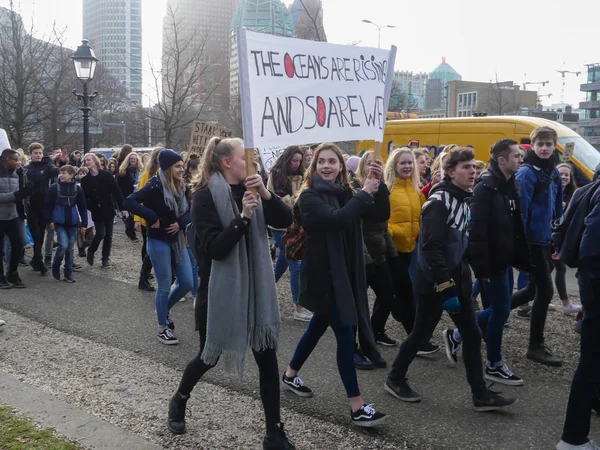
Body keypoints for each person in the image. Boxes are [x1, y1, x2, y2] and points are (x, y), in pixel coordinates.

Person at [167, 137, 296, 450]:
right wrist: (244, 218)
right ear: (227, 162)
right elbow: (214, 249)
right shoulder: (205, 196)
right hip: (220, 289)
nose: (253, 163)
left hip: (256, 289)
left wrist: (265, 194)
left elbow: (285, 221)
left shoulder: (254, 187)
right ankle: (180, 399)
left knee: (267, 360)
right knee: (208, 357)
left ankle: (273, 432)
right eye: (245, 157)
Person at [384, 146, 517, 412]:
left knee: (470, 334)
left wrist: (480, 271)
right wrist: (445, 288)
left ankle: (480, 395)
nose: (473, 171)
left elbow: (465, 243)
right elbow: (432, 250)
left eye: (474, 167)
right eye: (466, 167)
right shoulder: (438, 202)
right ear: (450, 172)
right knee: (421, 332)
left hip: (458, 278)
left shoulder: (466, 198)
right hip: (435, 282)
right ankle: (395, 378)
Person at [282, 143, 387, 428]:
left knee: (318, 326)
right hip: (325, 277)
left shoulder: (346, 193)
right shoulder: (309, 197)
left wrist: (379, 183)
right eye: (321, 162)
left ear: (341, 166)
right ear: (313, 167)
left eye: (332, 161)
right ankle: (357, 406)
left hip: (344, 273)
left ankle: (290, 375)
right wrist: (364, 193)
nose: (327, 166)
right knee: (345, 334)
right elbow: (336, 220)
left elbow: (379, 214)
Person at [443, 139, 529, 385]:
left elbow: (514, 225)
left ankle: (457, 336)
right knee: (500, 310)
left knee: (500, 309)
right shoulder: (486, 187)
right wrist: (482, 268)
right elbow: (477, 231)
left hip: (504, 257)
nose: (520, 160)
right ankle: (493, 363)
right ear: (502, 160)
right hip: (492, 261)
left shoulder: (510, 185)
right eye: (516, 156)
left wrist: (520, 256)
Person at [125, 149, 193, 345]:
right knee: (164, 285)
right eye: (178, 166)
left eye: (182, 165)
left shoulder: (182, 185)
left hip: (178, 240)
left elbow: (190, 210)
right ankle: (162, 328)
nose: (182, 169)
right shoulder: (154, 184)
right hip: (158, 240)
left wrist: (180, 223)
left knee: (187, 282)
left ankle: (163, 309)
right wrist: (151, 216)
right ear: (168, 167)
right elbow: (129, 201)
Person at [511, 127, 564, 366]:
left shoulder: (551, 170)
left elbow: (557, 207)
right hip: (532, 241)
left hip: (545, 239)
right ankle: (535, 345)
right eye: (540, 144)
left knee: (533, 290)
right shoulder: (527, 173)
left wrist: (557, 234)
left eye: (548, 144)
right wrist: (521, 244)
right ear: (532, 145)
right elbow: (520, 212)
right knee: (545, 291)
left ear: (555, 146)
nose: (544, 148)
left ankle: (482, 319)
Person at [555, 181, 600, 450]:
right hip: (596, 286)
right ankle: (573, 438)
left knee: (592, 360)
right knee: (591, 361)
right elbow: (591, 247)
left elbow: (561, 230)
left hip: (591, 285)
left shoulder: (590, 188)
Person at [383, 147, 439, 354]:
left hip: (409, 247)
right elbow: (380, 220)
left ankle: (375, 330)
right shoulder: (387, 189)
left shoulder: (416, 189)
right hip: (391, 250)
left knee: (387, 295)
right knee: (405, 293)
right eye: (402, 163)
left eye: (409, 163)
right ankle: (416, 340)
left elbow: (421, 216)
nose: (407, 166)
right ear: (394, 166)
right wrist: (394, 232)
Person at [267, 146, 310, 321]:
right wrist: (296, 200)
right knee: (296, 265)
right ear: (287, 159)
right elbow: (276, 200)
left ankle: (263, 291)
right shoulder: (276, 174)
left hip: (297, 224)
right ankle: (299, 307)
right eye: (294, 160)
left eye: (299, 161)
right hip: (280, 225)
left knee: (283, 263)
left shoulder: (303, 175)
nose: (297, 164)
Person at [81, 153, 126, 268]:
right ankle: (91, 250)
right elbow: (85, 198)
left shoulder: (106, 175)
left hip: (108, 208)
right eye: (85, 161)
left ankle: (105, 258)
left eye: (88, 160)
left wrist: (122, 208)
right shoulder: (85, 180)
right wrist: (90, 206)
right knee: (101, 233)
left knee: (108, 236)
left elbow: (116, 191)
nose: (86, 162)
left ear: (95, 161)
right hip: (96, 210)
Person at [45, 165, 88, 282]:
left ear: (71, 175)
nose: (61, 175)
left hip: (73, 222)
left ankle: (68, 273)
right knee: (63, 245)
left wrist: (84, 224)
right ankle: (56, 265)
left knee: (70, 248)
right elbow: (48, 206)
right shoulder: (54, 188)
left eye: (64, 173)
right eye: (60, 173)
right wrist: (50, 221)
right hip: (59, 222)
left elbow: (83, 207)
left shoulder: (77, 189)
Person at [24, 142, 59, 275]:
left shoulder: (48, 166)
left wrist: (57, 162)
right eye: (35, 153)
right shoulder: (26, 169)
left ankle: (36, 260)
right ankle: (39, 261)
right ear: (31, 154)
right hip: (31, 206)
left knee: (41, 236)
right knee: (36, 234)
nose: (38, 155)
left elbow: (56, 172)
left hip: (44, 206)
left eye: (40, 153)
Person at [553, 163, 582, 314]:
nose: (563, 177)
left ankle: (537, 300)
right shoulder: (550, 191)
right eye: (560, 174)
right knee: (558, 268)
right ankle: (565, 304)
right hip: (550, 238)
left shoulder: (574, 195)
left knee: (555, 268)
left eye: (566, 175)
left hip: (563, 239)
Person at [0, 149, 31, 288]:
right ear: (6, 160)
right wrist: (17, 195)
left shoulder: (16, 174)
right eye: (15, 159)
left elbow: (16, 195)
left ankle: (12, 273)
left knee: (19, 243)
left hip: (12, 215)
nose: (18, 162)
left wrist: (26, 193)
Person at [134, 147, 163, 292]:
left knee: (151, 250)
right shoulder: (148, 175)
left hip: (160, 219)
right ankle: (143, 278)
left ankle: (146, 276)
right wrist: (137, 219)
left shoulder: (163, 173)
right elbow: (138, 198)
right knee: (150, 251)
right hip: (149, 219)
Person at [117, 152, 143, 241]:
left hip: (138, 195)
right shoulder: (122, 172)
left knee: (134, 215)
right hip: (127, 196)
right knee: (131, 215)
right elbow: (119, 186)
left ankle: (130, 229)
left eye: (134, 159)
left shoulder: (140, 171)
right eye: (131, 158)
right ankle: (131, 233)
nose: (132, 160)